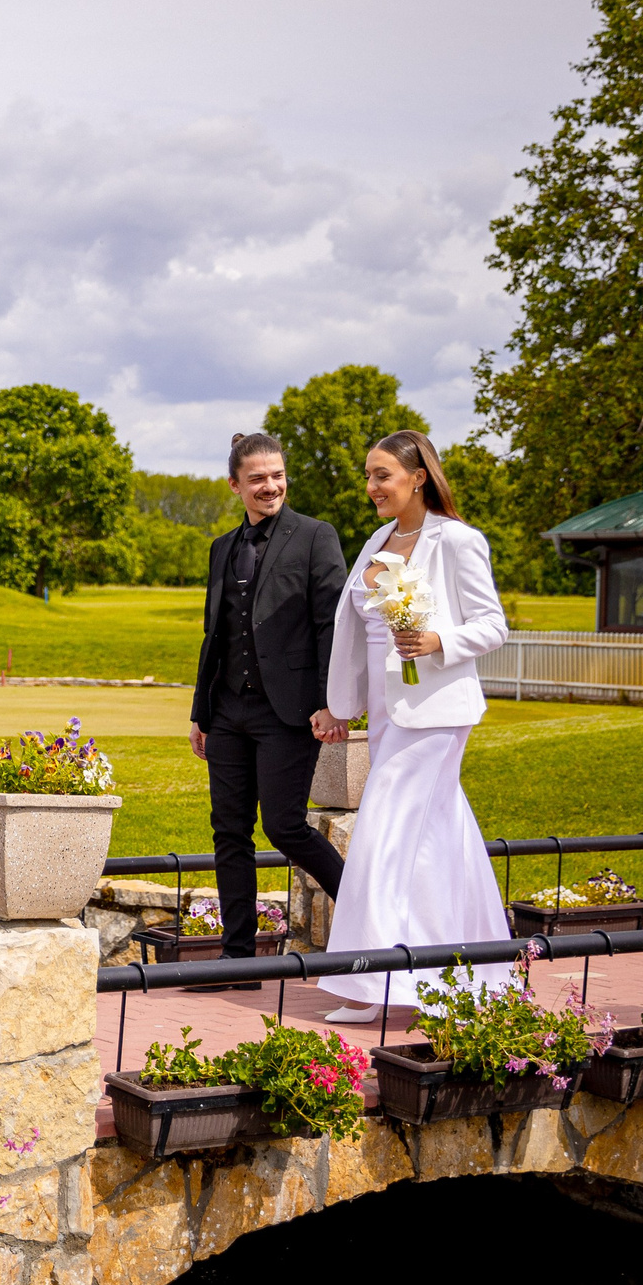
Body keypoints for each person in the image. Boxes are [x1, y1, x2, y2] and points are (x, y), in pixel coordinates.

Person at [313, 429, 512, 1020]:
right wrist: (338, 706)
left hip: (437, 715)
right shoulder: (377, 540)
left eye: (382, 475)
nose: (371, 487)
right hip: (388, 716)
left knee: (383, 831)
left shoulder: (457, 541)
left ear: (418, 476)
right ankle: (466, 979)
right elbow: (355, 632)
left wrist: (436, 640)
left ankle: (367, 983)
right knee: (441, 840)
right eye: (369, 476)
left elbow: (493, 626)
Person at [190, 433, 347, 959]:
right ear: (235, 485)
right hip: (228, 709)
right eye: (257, 478)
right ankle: (237, 956)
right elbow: (214, 635)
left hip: (289, 710)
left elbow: (332, 626)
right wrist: (201, 713)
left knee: (283, 826)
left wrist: (331, 701)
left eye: (277, 475)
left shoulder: (315, 536)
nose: (270, 486)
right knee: (228, 832)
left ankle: (363, 910)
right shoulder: (222, 548)